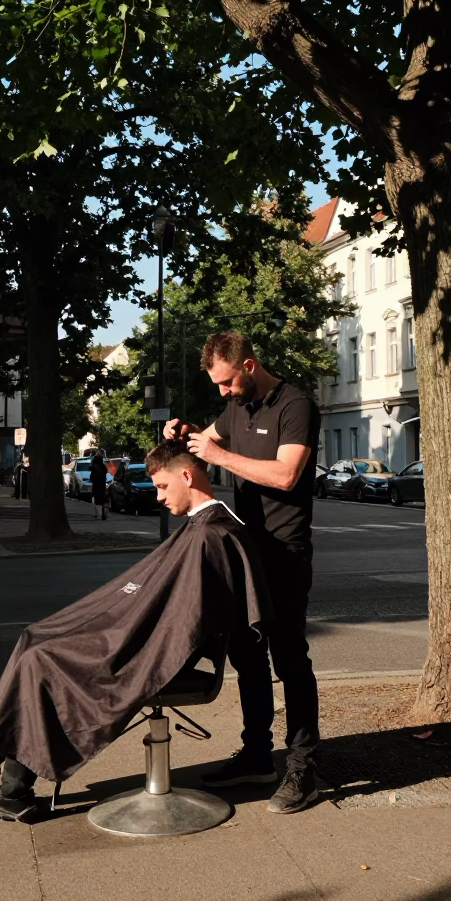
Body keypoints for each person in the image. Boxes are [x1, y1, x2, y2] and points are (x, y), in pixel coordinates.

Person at [0, 439, 272, 822]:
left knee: (42, 661)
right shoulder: (203, 530)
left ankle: (5, 783)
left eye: (163, 487)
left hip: (155, 655)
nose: (158, 497)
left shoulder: (210, 535)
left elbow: (178, 623)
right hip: (146, 641)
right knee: (34, 637)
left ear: (187, 475)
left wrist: (109, 637)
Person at [164, 331, 322, 815]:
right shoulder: (237, 408)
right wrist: (183, 434)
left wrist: (220, 456)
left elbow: (285, 476)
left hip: (285, 554)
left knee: (289, 658)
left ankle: (303, 766)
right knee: (247, 657)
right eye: (218, 386)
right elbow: (204, 442)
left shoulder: (296, 406)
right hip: (246, 552)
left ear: (249, 367)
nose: (223, 394)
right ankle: (257, 754)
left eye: (227, 383)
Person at [90, 450, 108, 521]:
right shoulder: (103, 467)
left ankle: (98, 515)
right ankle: (103, 514)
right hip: (102, 485)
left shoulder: (94, 468)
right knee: (103, 500)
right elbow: (105, 473)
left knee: (97, 501)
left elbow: (92, 478)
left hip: (96, 486)